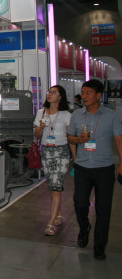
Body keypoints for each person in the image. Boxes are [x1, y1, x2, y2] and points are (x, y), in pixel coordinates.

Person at [67, 79, 122, 261]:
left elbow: (119, 140)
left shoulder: (111, 116)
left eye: (88, 93)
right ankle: (84, 228)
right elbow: (70, 137)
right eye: (83, 93)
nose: (84, 96)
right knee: (80, 203)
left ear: (99, 95)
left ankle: (100, 245)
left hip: (104, 168)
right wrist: (78, 140)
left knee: (103, 208)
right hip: (82, 167)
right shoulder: (77, 115)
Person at [33, 85, 72, 236]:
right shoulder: (41, 113)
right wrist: (41, 127)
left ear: (60, 97)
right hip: (46, 151)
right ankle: (59, 213)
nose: (50, 94)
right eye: (49, 92)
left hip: (61, 152)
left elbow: (70, 137)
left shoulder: (66, 115)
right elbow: (37, 135)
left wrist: (76, 156)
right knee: (51, 185)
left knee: (56, 186)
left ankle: (50, 223)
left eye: (54, 92)